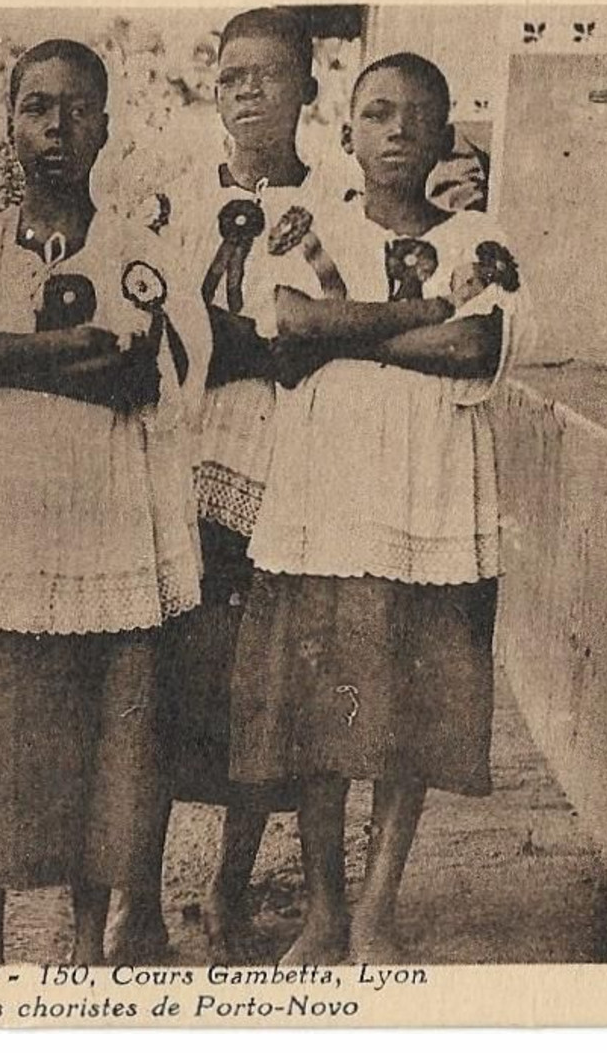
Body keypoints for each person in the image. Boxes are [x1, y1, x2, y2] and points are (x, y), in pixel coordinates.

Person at [231, 52, 533, 964]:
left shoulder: (478, 240)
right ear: (347, 132)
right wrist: (411, 321)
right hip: (326, 498)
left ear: (446, 135)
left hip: (429, 495)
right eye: (377, 113)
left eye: (417, 116)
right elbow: (286, 320)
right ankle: (323, 910)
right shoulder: (300, 225)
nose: (398, 130)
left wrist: (350, 335)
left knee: (408, 709)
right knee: (324, 714)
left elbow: (477, 341)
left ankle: (375, 910)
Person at [0, 39, 207, 965]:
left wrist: (3, 357)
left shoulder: (134, 251)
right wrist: (65, 350)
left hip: (100, 523)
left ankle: (86, 940)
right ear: (9, 124)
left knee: (97, 734)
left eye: (77, 109)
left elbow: (137, 376)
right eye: (37, 108)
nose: (56, 128)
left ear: (106, 127)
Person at [132, 6, 345, 963]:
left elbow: (328, 336)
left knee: (264, 681)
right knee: (161, 673)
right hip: (175, 463)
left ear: (307, 87)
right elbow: (153, 333)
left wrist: (255, 347)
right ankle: (136, 895)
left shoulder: (335, 203)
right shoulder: (169, 200)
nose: (248, 90)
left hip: (287, 469)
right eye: (230, 75)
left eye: (269, 74)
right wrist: (250, 346)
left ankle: (230, 884)